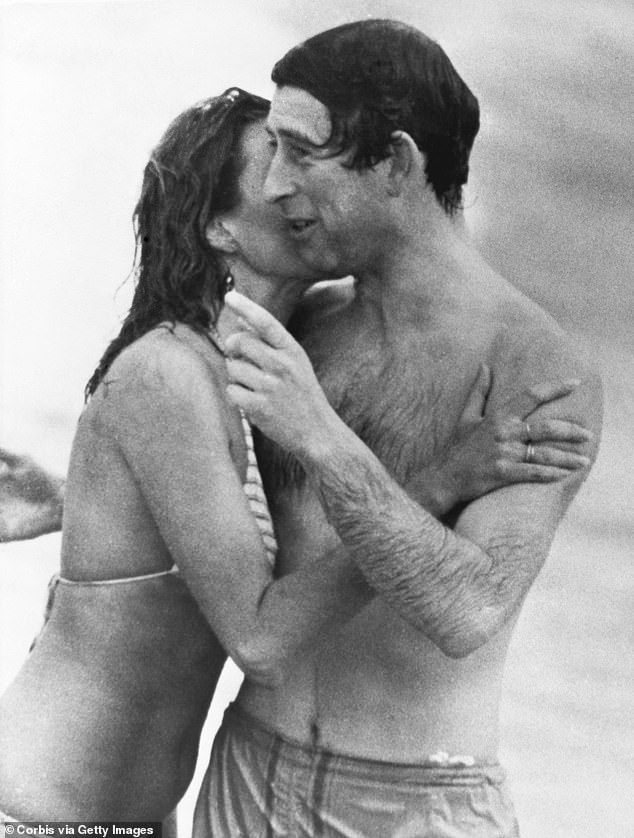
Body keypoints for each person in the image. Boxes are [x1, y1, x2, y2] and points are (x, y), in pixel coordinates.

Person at [0, 85, 588, 826]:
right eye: (272, 161)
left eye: (302, 158)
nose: (295, 181)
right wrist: (443, 480)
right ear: (218, 226)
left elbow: (194, 537)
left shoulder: (254, 365)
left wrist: (79, 503)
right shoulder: (168, 372)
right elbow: (262, 637)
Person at [191, 20, 603, 838]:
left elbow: (469, 611)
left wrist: (320, 435)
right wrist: (79, 507)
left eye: (301, 153)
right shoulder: (307, 323)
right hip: (244, 768)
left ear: (396, 163)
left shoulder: (536, 370)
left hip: (415, 803)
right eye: (272, 149)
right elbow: (233, 528)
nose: (273, 185)